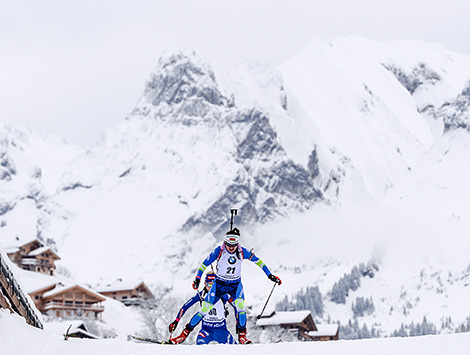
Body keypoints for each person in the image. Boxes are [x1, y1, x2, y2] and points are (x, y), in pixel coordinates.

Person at [171, 228, 282, 345]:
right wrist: (197, 279)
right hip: (219, 284)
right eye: (229, 245)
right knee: (204, 310)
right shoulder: (219, 251)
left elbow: (259, 262)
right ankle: (182, 335)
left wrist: (270, 275)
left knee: (240, 308)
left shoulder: (242, 252)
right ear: (225, 242)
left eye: (234, 245)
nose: (231, 248)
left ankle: (242, 336)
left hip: (235, 285)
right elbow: (204, 264)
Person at [169, 271, 237, 345]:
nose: (211, 288)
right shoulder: (201, 295)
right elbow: (185, 307)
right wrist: (176, 321)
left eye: (213, 285)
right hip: (206, 331)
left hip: (222, 331)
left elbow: (237, 307)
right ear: (205, 283)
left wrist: (239, 324)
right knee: (199, 349)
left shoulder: (223, 295)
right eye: (208, 284)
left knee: (237, 350)